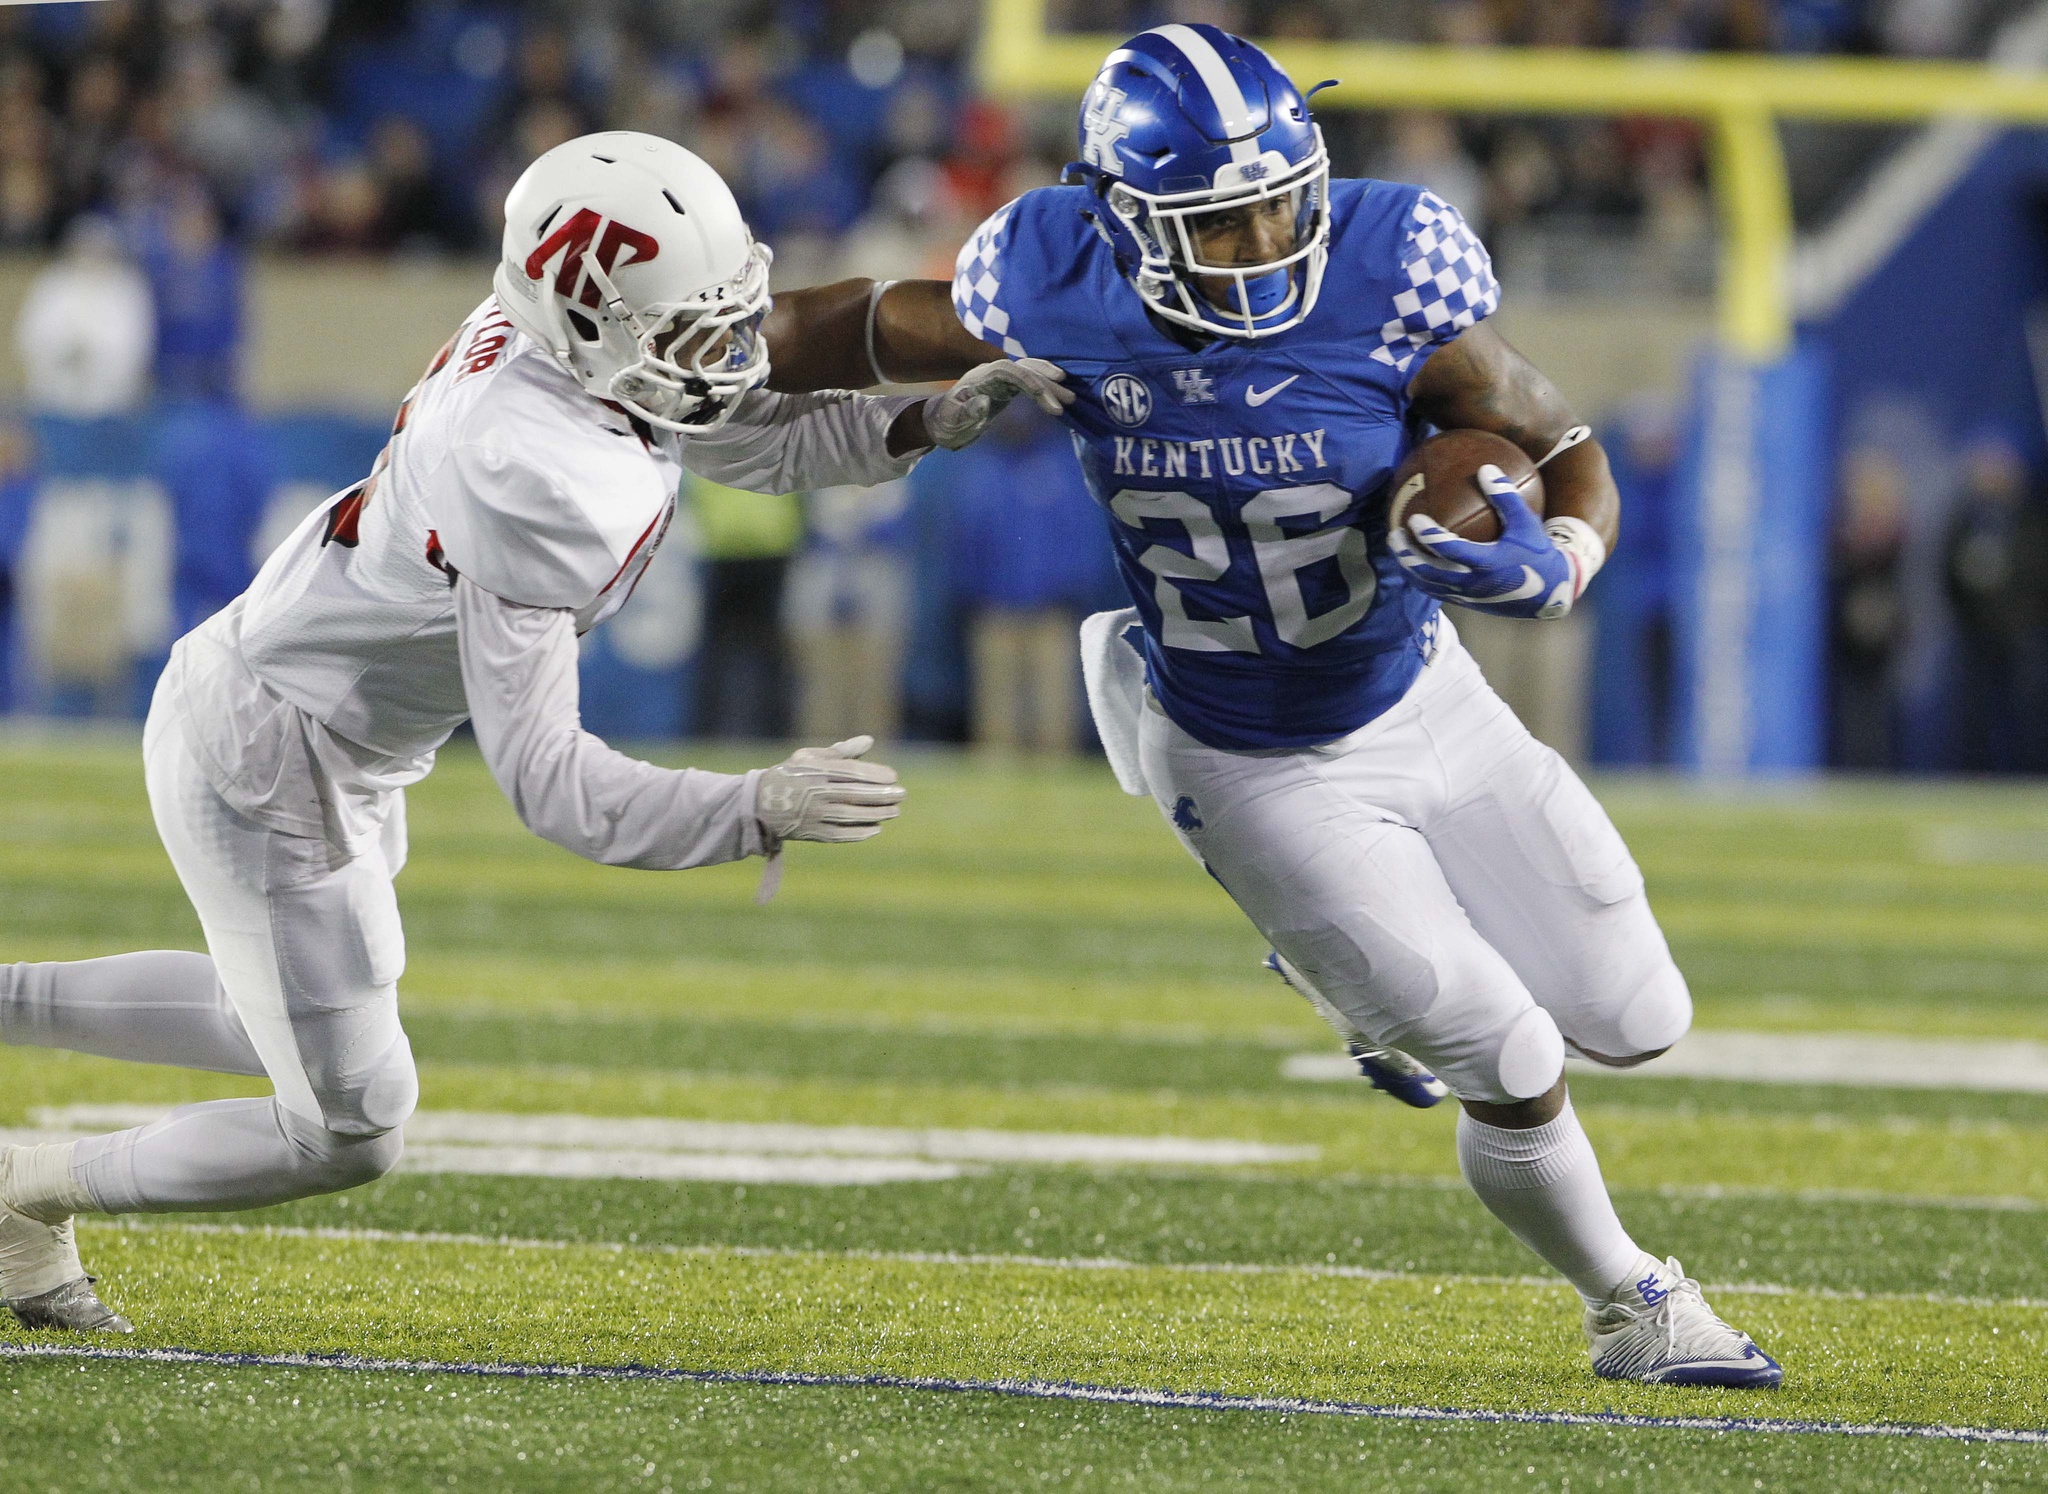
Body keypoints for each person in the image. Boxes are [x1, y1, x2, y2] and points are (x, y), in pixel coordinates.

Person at [761, 26, 1778, 1387]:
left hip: (1426, 696)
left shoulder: (1387, 261)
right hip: (1245, 748)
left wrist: (1564, 562)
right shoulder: (1052, 274)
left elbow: (1564, 445)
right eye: (1221, 224)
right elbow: (843, 325)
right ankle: (1632, 1303)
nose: (1264, 241)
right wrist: (675, 344)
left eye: (1279, 203)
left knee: (1640, 1017)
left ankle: (1343, 967)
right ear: (1122, 219)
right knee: (1506, 1044)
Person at [0, 131, 1060, 1333]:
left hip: (308, 723)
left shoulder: (569, 348)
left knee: (281, 1021)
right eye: (692, 331)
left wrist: (913, 425)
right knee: (351, 1126)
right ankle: (23, 1191)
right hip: (274, 749)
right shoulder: (526, 463)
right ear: (595, 323)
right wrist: (750, 806)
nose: (723, 353)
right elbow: (552, 783)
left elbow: (730, 432)